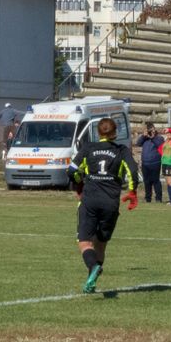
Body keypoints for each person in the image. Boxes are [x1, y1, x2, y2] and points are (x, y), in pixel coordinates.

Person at [67, 117, 138, 294]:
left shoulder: (89, 148)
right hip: (110, 203)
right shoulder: (122, 151)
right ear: (115, 133)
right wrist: (132, 192)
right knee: (101, 243)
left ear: (98, 132)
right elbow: (133, 171)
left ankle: (92, 268)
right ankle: (91, 281)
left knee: (84, 242)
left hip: (90, 200)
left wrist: (79, 183)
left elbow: (72, 170)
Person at [135, 121, 164, 203]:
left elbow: (160, 145)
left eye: (151, 129)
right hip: (145, 163)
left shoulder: (159, 137)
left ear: (154, 129)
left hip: (155, 163)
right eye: (149, 130)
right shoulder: (145, 138)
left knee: (156, 181)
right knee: (147, 182)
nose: (150, 131)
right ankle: (148, 199)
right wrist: (144, 136)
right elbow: (138, 143)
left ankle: (158, 198)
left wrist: (152, 137)